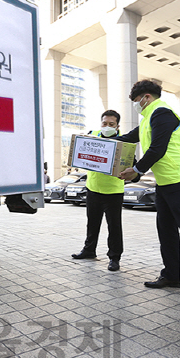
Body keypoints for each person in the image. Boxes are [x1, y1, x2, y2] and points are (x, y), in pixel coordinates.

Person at [117, 80, 180, 288]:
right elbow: (129, 138)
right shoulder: (149, 118)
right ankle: (171, 276)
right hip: (167, 182)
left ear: (146, 98)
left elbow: (158, 149)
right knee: (165, 230)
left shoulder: (162, 113)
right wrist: (98, 142)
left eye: (136, 101)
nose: (135, 105)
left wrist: (137, 171)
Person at [71, 110, 126, 271]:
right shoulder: (92, 135)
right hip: (93, 188)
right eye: (104, 123)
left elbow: (130, 162)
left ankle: (114, 257)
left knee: (114, 226)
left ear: (117, 126)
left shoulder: (123, 142)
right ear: (100, 123)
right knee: (92, 223)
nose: (107, 126)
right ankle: (89, 250)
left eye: (111, 124)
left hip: (113, 191)